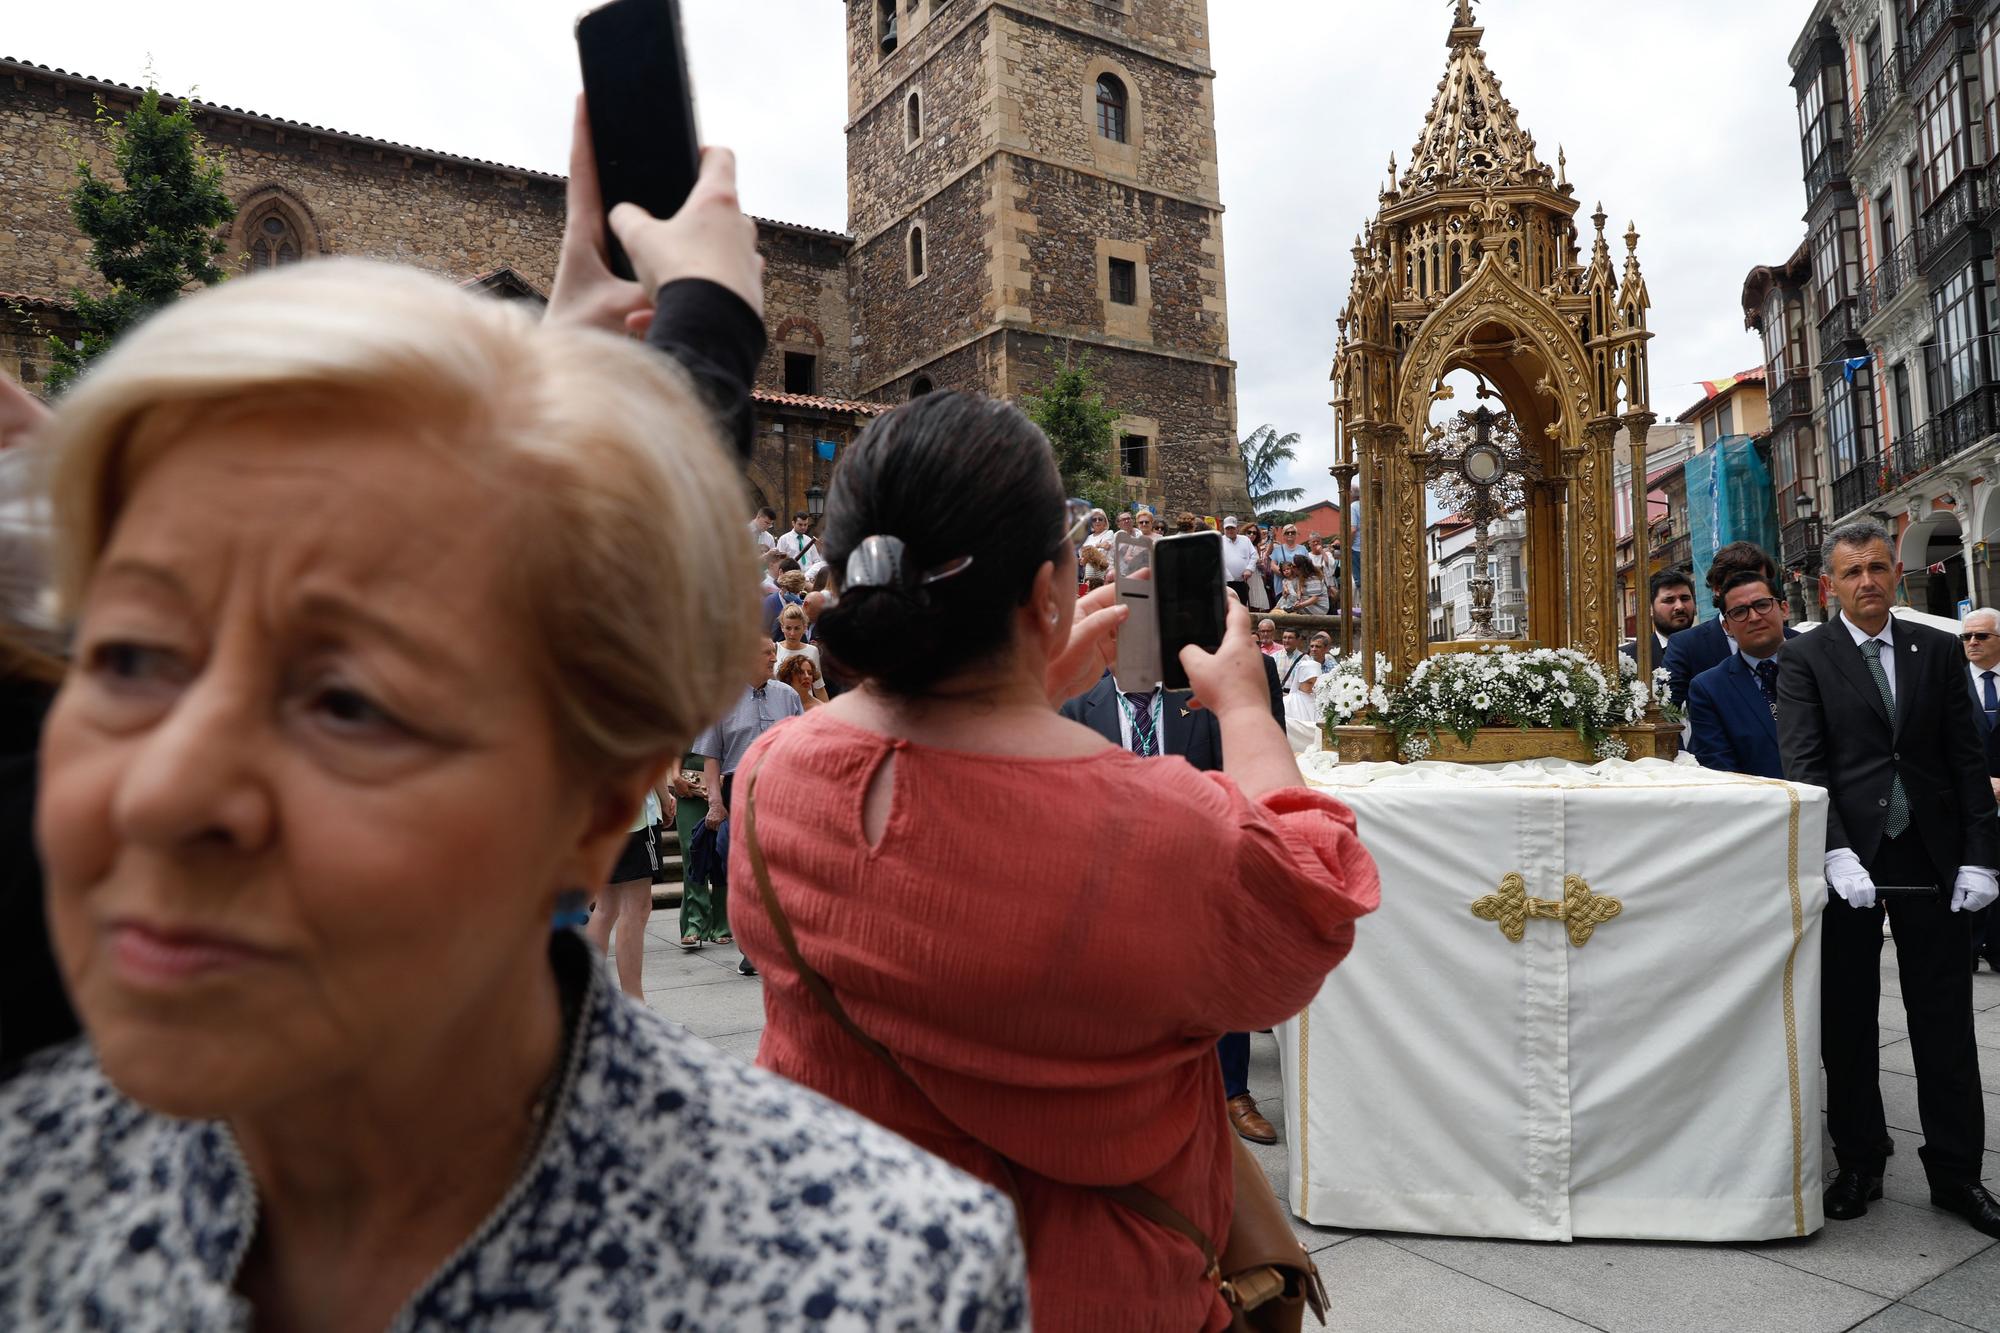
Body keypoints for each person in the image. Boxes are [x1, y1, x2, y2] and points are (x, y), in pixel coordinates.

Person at [0, 179, 1025, 1326]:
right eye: (131, 656)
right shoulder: (27, 1180)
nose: (161, 792)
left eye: (347, 701)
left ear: (593, 809)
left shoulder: (880, 1280)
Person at [732, 389, 1378, 1330]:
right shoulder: (1159, 822)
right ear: (1048, 592)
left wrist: (1020, 680)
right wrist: (1245, 707)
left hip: (850, 1279)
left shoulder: (767, 780)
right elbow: (1312, 891)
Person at [1776, 521, 2000, 1240]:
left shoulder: (1936, 649)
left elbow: (1966, 759)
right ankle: (1861, 1161)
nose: (1868, 581)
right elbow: (1805, 763)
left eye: (1878, 568)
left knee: (1945, 1020)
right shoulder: (1805, 657)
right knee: (1846, 1018)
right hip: (1850, 862)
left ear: (1896, 575)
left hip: (1931, 857)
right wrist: (1834, 852)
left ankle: (1958, 1172)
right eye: (1853, 572)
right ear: (1829, 585)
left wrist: (1981, 855)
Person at [695, 637, 804, 976]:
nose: (774, 657)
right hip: (738, 794)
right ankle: (752, 946)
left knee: (782, 874)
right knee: (744, 875)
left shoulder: (788, 696)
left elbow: (803, 747)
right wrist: (714, 803)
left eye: (774, 651)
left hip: (782, 795)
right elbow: (710, 757)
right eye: (766, 653)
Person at [1685, 571, 1790, 780]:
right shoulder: (1709, 689)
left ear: (1784, 609)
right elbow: (1721, 771)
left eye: (1762, 605)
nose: (1753, 617)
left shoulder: (1821, 663)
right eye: (1740, 612)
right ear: (1727, 627)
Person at [1661, 542, 1778, 706]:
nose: (1750, 590)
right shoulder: (1686, 646)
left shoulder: (1798, 644)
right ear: (1717, 588)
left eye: (1757, 580)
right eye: (1738, 583)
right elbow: (1669, 710)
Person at [584, 784, 671, 1000]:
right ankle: (633, 1001)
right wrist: (665, 798)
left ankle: (590, 996)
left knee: (605, 908)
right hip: (633, 812)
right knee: (635, 909)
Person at [1959, 607, 2000, 973]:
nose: (1972, 642)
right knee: (1972, 868)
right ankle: (1969, 948)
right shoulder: (1952, 684)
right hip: (1968, 798)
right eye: (1967, 636)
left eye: (1981, 636)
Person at [1624, 568, 1696, 665]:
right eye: (1669, 600)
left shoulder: (1713, 646)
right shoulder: (1628, 659)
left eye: (1685, 598)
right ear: (1649, 607)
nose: (1680, 606)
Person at [774, 602, 823, 678]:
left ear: (804, 628)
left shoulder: (813, 651)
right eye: (788, 628)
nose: (792, 633)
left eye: (797, 628)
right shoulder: (774, 650)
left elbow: (818, 685)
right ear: (782, 627)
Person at [1219, 516, 1257, 605]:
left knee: (1242, 606)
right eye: (1227, 528)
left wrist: (1249, 569)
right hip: (1225, 583)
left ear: (1237, 528)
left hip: (1242, 582)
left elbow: (1254, 555)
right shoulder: (1219, 540)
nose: (1230, 530)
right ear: (1223, 529)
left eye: (1232, 528)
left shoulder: (1245, 540)